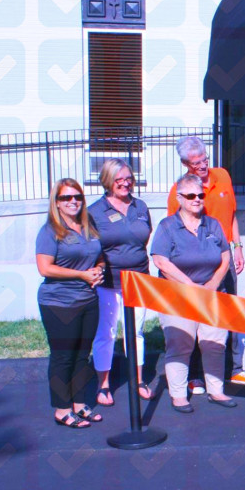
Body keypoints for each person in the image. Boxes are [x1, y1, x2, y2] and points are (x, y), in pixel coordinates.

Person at [167, 137, 245, 389]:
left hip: (224, 257)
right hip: (197, 263)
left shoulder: (223, 176)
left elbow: (232, 216)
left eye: (204, 159)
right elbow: (174, 231)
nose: (202, 166)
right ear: (185, 164)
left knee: (228, 312)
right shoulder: (180, 191)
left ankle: (233, 370)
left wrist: (238, 247)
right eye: (195, 163)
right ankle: (195, 375)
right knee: (198, 316)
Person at [150, 174, 237, 413]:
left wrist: (212, 285)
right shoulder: (167, 226)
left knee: (214, 344)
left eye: (200, 195)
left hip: (212, 295)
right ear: (179, 198)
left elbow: (225, 257)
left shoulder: (213, 224)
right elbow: (161, 261)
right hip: (178, 296)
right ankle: (178, 395)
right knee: (180, 344)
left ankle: (216, 391)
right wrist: (190, 286)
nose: (197, 199)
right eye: (190, 195)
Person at [35, 179, 104, 429]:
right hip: (59, 303)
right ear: (56, 202)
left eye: (77, 197)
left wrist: (99, 269)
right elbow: (45, 268)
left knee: (83, 355)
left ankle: (79, 403)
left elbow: (99, 256)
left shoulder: (88, 227)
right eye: (66, 198)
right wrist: (81, 275)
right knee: (63, 356)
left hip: (88, 300)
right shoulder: (50, 231)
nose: (73, 201)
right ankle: (62, 409)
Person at [88, 159, 152, 407]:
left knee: (136, 332)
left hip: (138, 280)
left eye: (129, 178)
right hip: (109, 283)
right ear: (107, 181)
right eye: (119, 179)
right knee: (106, 333)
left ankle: (138, 380)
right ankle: (103, 384)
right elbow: (90, 247)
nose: (126, 183)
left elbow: (143, 239)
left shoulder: (140, 206)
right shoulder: (94, 212)